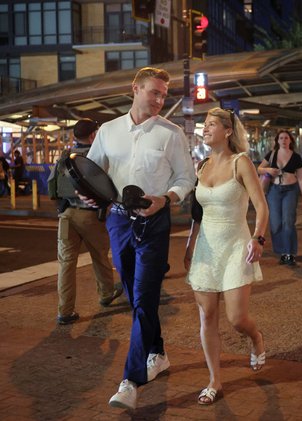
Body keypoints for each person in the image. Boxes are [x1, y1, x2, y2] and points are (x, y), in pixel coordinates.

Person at [83, 67, 197, 410]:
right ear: (135, 88)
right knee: (136, 298)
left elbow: (186, 177)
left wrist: (166, 199)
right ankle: (157, 352)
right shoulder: (108, 130)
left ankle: (131, 380)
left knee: (145, 297)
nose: (161, 100)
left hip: (154, 224)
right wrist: (91, 195)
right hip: (118, 222)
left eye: (164, 94)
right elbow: (93, 173)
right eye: (155, 93)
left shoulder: (172, 133)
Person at [184, 107, 268, 405]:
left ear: (228, 131)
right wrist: (189, 245)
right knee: (207, 316)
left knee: (236, 318)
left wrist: (258, 239)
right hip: (206, 248)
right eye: (204, 125)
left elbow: (261, 206)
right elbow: (198, 213)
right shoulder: (202, 166)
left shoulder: (241, 163)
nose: (204, 129)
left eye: (210, 125)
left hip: (236, 246)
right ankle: (214, 381)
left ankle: (255, 338)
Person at [48, 119, 123, 325]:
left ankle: (65, 311)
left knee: (66, 264)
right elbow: (110, 188)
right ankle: (106, 293)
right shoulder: (96, 157)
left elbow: (51, 186)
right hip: (91, 216)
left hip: (66, 216)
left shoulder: (64, 157)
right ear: (93, 136)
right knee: (99, 257)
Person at [257, 130, 302, 266]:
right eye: (281, 138)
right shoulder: (272, 154)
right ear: (277, 140)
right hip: (274, 191)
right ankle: (281, 251)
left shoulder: (296, 157)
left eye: (286, 138)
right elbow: (259, 169)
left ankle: (289, 253)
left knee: (288, 222)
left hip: (290, 190)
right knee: (275, 223)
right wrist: (268, 170)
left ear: (290, 140)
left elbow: (301, 178)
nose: (284, 140)